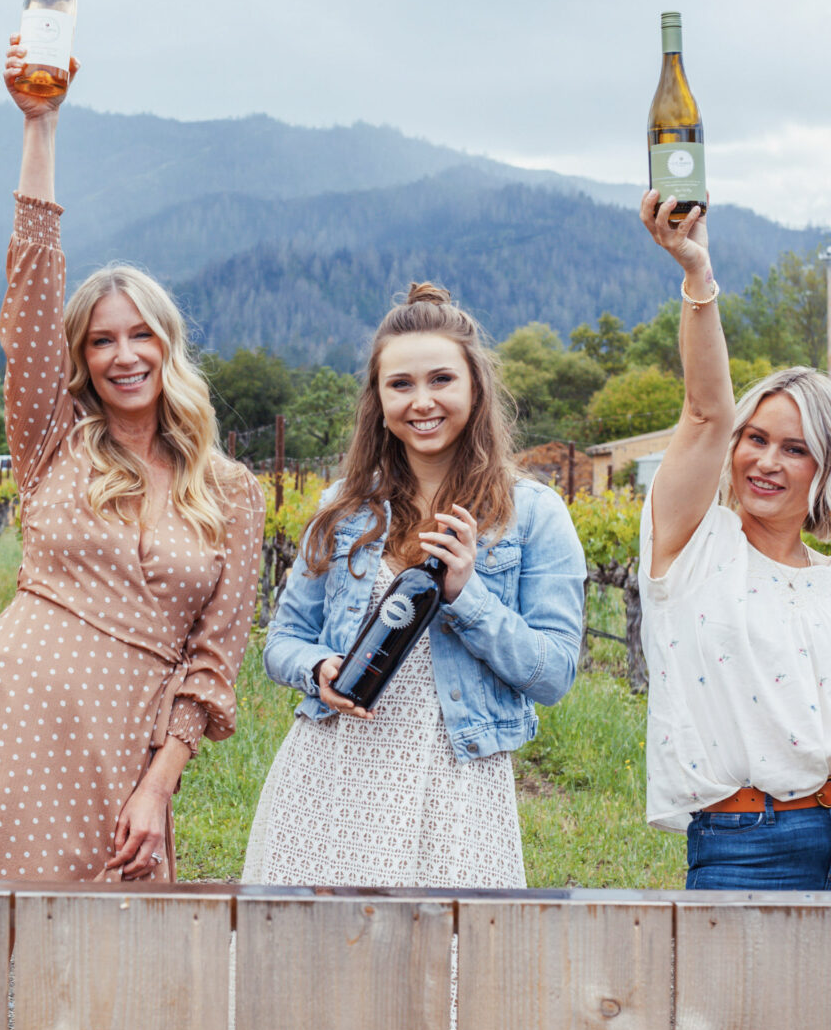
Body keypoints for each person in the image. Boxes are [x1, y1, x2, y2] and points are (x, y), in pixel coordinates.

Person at [0, 38, 265, 882]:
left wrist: (159, 785)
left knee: (112, 971)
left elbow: (213, 662)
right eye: (101, 340)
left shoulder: (233, 493)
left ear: (170, 347)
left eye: (141, 335)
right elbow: (29, 293)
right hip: (6, 711)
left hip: (123, 743)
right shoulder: (52, 442)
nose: (123, 355)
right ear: (83, 358)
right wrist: (41, 127)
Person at [636, 190, 831, 891]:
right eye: (755, 439)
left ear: (826, 468)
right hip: (748, 845)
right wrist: (697, 276)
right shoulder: (689, 547)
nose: (766, 461)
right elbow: (703, 411)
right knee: (736, 1009)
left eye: (794, 448)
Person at [245, 283, 587, 888]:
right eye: (400, 384)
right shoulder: (343, 509)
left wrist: (467, 597)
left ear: (474, 388)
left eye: (441, 380)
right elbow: (283, 640)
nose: (421, 401)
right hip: (332, 775)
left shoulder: (532, 514)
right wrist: (319, 667)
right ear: (377, 399)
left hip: (455, 785)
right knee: (313, 969)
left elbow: (554, 672)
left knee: (442, 970)